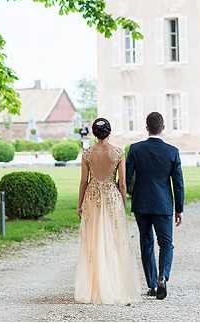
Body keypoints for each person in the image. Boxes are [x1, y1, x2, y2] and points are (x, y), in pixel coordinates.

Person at [74, 117, 140, 305]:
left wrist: (79, 204)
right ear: (109, 132)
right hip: (111, 197)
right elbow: (123, 183)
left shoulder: (87, 154)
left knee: (94, 240)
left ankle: (95, 287)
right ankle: (114, 285)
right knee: (113, 239)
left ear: (94, 133)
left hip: (92, 197)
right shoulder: (118, 153)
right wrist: (123, 203)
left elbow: (83, 182)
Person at [125, 111, 185, 300]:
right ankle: (163, 276)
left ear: (146, 127)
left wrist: (130, 193)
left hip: (141, 203)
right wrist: (179, 208)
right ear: (163, 127)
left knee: (146, 243)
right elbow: (178, 183)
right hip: (163, 204)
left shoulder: (135, 149)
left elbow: (127, 178)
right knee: (166, 243)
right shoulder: (172, 152)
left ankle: (152, 285)